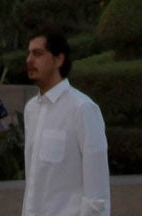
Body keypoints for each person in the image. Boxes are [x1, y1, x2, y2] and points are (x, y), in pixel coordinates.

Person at [22, 31, 108, 216]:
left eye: (37, 54)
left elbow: (97, 189)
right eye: (28, 54)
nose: (29, 60)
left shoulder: (82, 109)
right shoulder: (31, 110)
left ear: (59, 60)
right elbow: (33, 182)